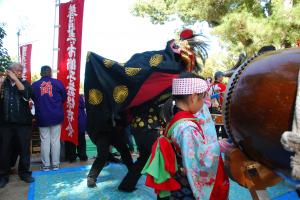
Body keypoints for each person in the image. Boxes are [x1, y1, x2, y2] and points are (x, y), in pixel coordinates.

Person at [142, 72, 231, 200]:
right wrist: (220, 146)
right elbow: (200, 158)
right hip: (185, 184)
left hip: (178, 178)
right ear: (194, 97)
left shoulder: (177, 119)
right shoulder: (187, 128)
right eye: (203, 97)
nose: (204, 102)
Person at [0, 63, 34, 188]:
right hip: (5, 124)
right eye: (17, 70)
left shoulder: (25, 83)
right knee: (4, 150)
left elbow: (26, 95)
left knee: (24, 149)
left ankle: (24, 173)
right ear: (9, 71)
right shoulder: (3, 84)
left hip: (23, 123)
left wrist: (15, 79)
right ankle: (3, 175)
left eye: (21, 70)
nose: (19, 72)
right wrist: (1, 82)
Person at [31, 66, 67, 171]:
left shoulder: (35, 85)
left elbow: (33, 98)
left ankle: (46, 165)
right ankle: (55, 164)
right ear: (50, 73)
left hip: (42, 116)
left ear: (41, 73)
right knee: (55, 140)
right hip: (56, 115)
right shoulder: (58, 83)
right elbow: (64, 98)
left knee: (44, 140)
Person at [86, 116, 134, 188]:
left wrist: (121, 125)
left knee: (124, 151)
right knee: (102, 155)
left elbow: (120, 114)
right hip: (101, 131)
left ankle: (133, 171)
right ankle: (91, 177)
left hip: (115, 130)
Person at [65, 94, 88, 162]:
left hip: (71, 121)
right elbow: (83, 105)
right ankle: (82, 155)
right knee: (81, 140)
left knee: (71, 141)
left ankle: (72, 156)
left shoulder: (66, 96)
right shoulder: (79, 96)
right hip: (80, 120)